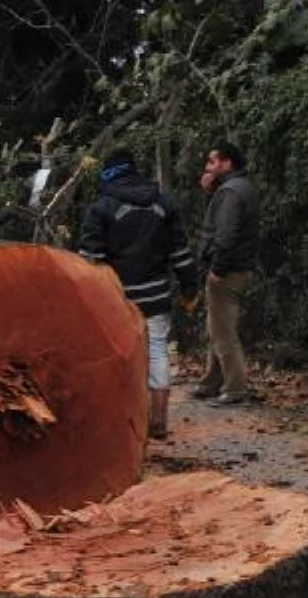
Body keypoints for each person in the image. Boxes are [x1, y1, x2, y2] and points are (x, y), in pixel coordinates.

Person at [78, 150, 199, 440]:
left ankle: (120, 422)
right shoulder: (163, 204)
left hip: (115, 299)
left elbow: (89, 259)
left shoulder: (102, 208)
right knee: (157, 350)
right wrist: (190, 287)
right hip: (156, 296)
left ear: (108, 174)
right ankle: (158, 420)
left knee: (115, 355)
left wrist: (85, 300)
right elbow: (180, 253)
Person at [193, 141, 260, 406]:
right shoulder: (238, 188)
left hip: (228, 270)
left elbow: (226, 233)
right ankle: (211, 381)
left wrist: (217, 268)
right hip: (238, 266)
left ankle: (235, 389)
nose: (207, 167)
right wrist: (211, 192)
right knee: (217, 326)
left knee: (223, 332)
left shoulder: (231, 192)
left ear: (226, 163)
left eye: (212, 162)